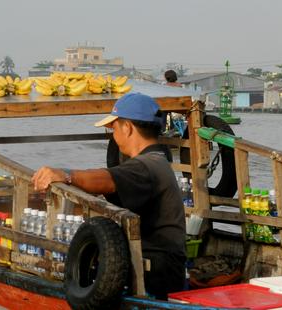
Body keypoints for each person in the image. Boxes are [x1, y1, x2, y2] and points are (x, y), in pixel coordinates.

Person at [32, 92, 186, 300]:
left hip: (157, 272)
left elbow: (107, 179)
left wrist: (65, 175)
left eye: (113, 128)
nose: (113, 135)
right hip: (161, 265)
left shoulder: (147, 166)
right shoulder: (157, 160)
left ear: (127, 127)